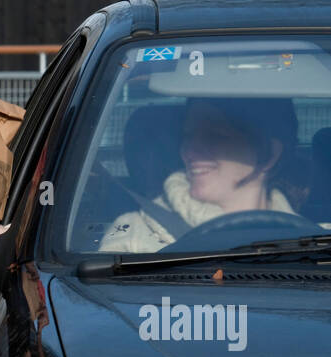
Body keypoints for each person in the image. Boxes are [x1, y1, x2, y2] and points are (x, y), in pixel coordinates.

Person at [98, 97, 301, 253]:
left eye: (216, 136)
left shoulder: (315, 242)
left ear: (270, 154)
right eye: (188, 136)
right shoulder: (132, 232)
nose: (189, 152)